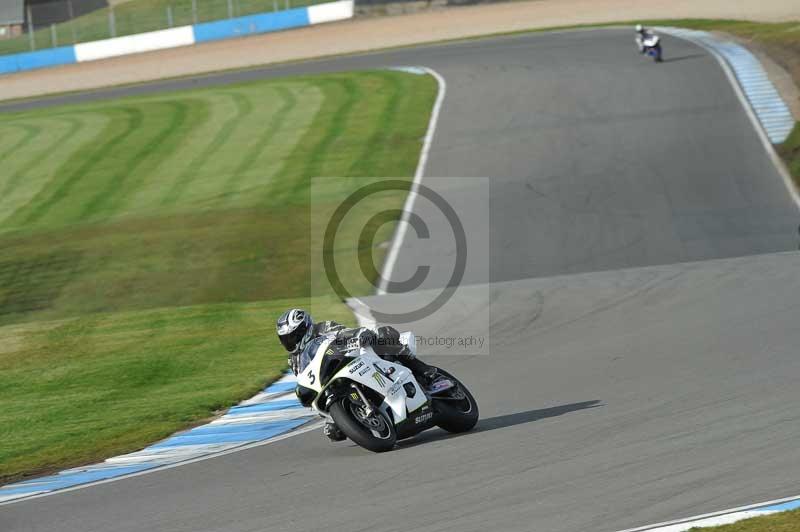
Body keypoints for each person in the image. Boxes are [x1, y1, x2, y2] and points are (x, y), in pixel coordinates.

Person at [276, 308, 441, 441]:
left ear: (306, 328)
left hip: (352, 357)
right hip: (331, 382)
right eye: (286, 339)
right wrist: (329, 415)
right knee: (335, 432)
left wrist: (359, 334)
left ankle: (423, 369)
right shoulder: (294, 361)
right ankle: (365, 417)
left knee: (383, 334)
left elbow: (344, 332)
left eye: (294, 336)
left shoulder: (323, 328)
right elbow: (307, 381)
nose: (291, 342)